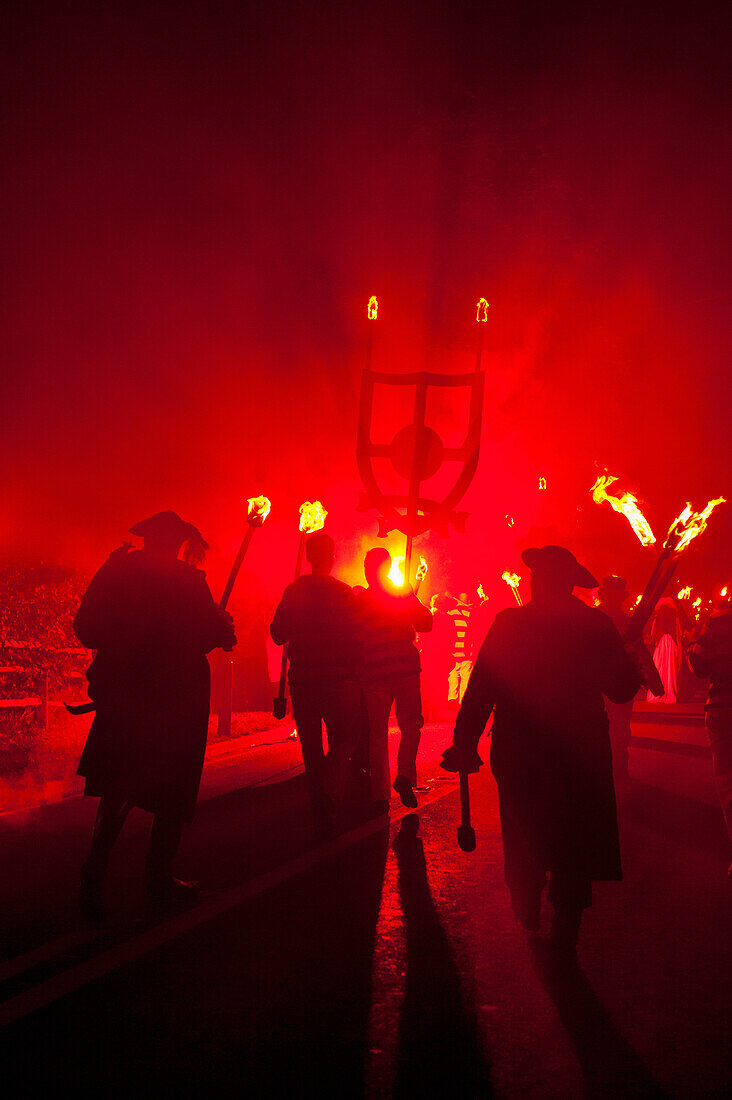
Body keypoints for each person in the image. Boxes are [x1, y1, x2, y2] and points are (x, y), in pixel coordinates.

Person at [441, 545, 641, 955]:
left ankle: (525, 895)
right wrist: (629, 658)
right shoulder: (595, 624)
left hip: (522, 746)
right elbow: (620, 691)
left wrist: (464, 743)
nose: (531, 582)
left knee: (523, 825)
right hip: (578, 747)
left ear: (542, 581)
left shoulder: (511, 622)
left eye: (535, 577)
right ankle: (566, 919)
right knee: (574, 835)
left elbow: (481, 689)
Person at [74, 510, 236, 921]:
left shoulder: (117, 570)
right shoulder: (187, 582)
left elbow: (86, 628)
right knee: (173, 788)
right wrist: (220, 627)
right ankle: (156, 879)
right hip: (175, 697)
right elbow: (209, 637)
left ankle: (93, 878)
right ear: (176, 541)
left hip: (128, 692)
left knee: (119, 785)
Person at [269, 531, 361, 836]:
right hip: (336, 680)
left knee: (311, 748)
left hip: (304, 680)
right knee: (342, 741)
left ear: (308, 557)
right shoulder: (343, 593)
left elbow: (278, 634)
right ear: (332, 558)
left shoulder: (294, 591)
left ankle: (320, 805)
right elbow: (354, 636)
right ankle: (330, 793)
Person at [356, 548, 433, 811]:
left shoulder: (361, 601)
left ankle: (380, 794)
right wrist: (410, 597)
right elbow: (425, 623)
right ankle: (405, 776)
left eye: (368, 567)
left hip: (375, 671)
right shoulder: (401, 592)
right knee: (410, 726)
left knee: (377, 734)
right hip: (404, 668)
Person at [688, 596, 732, 873]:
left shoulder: (716, 620)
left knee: (729, 779)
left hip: (724, 704)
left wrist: (691, 645)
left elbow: (699, 667)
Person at [646, 596, 682, 703]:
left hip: (661, 643)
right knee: (670, 668)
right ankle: (669, 692)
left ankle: (660, 692)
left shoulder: (657, 618)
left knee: (660, 667)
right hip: (670, 643)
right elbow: (677, 633)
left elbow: (653, 634)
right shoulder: (674, 617)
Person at [446, 592, 474, 712]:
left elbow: (447, 635)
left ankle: (451, 700)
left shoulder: (450, 614)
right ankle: (463, 703)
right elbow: (472, 634)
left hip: (453, 652)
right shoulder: (470, 615)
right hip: (466, 652)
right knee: (465, 678)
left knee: (452, 676)